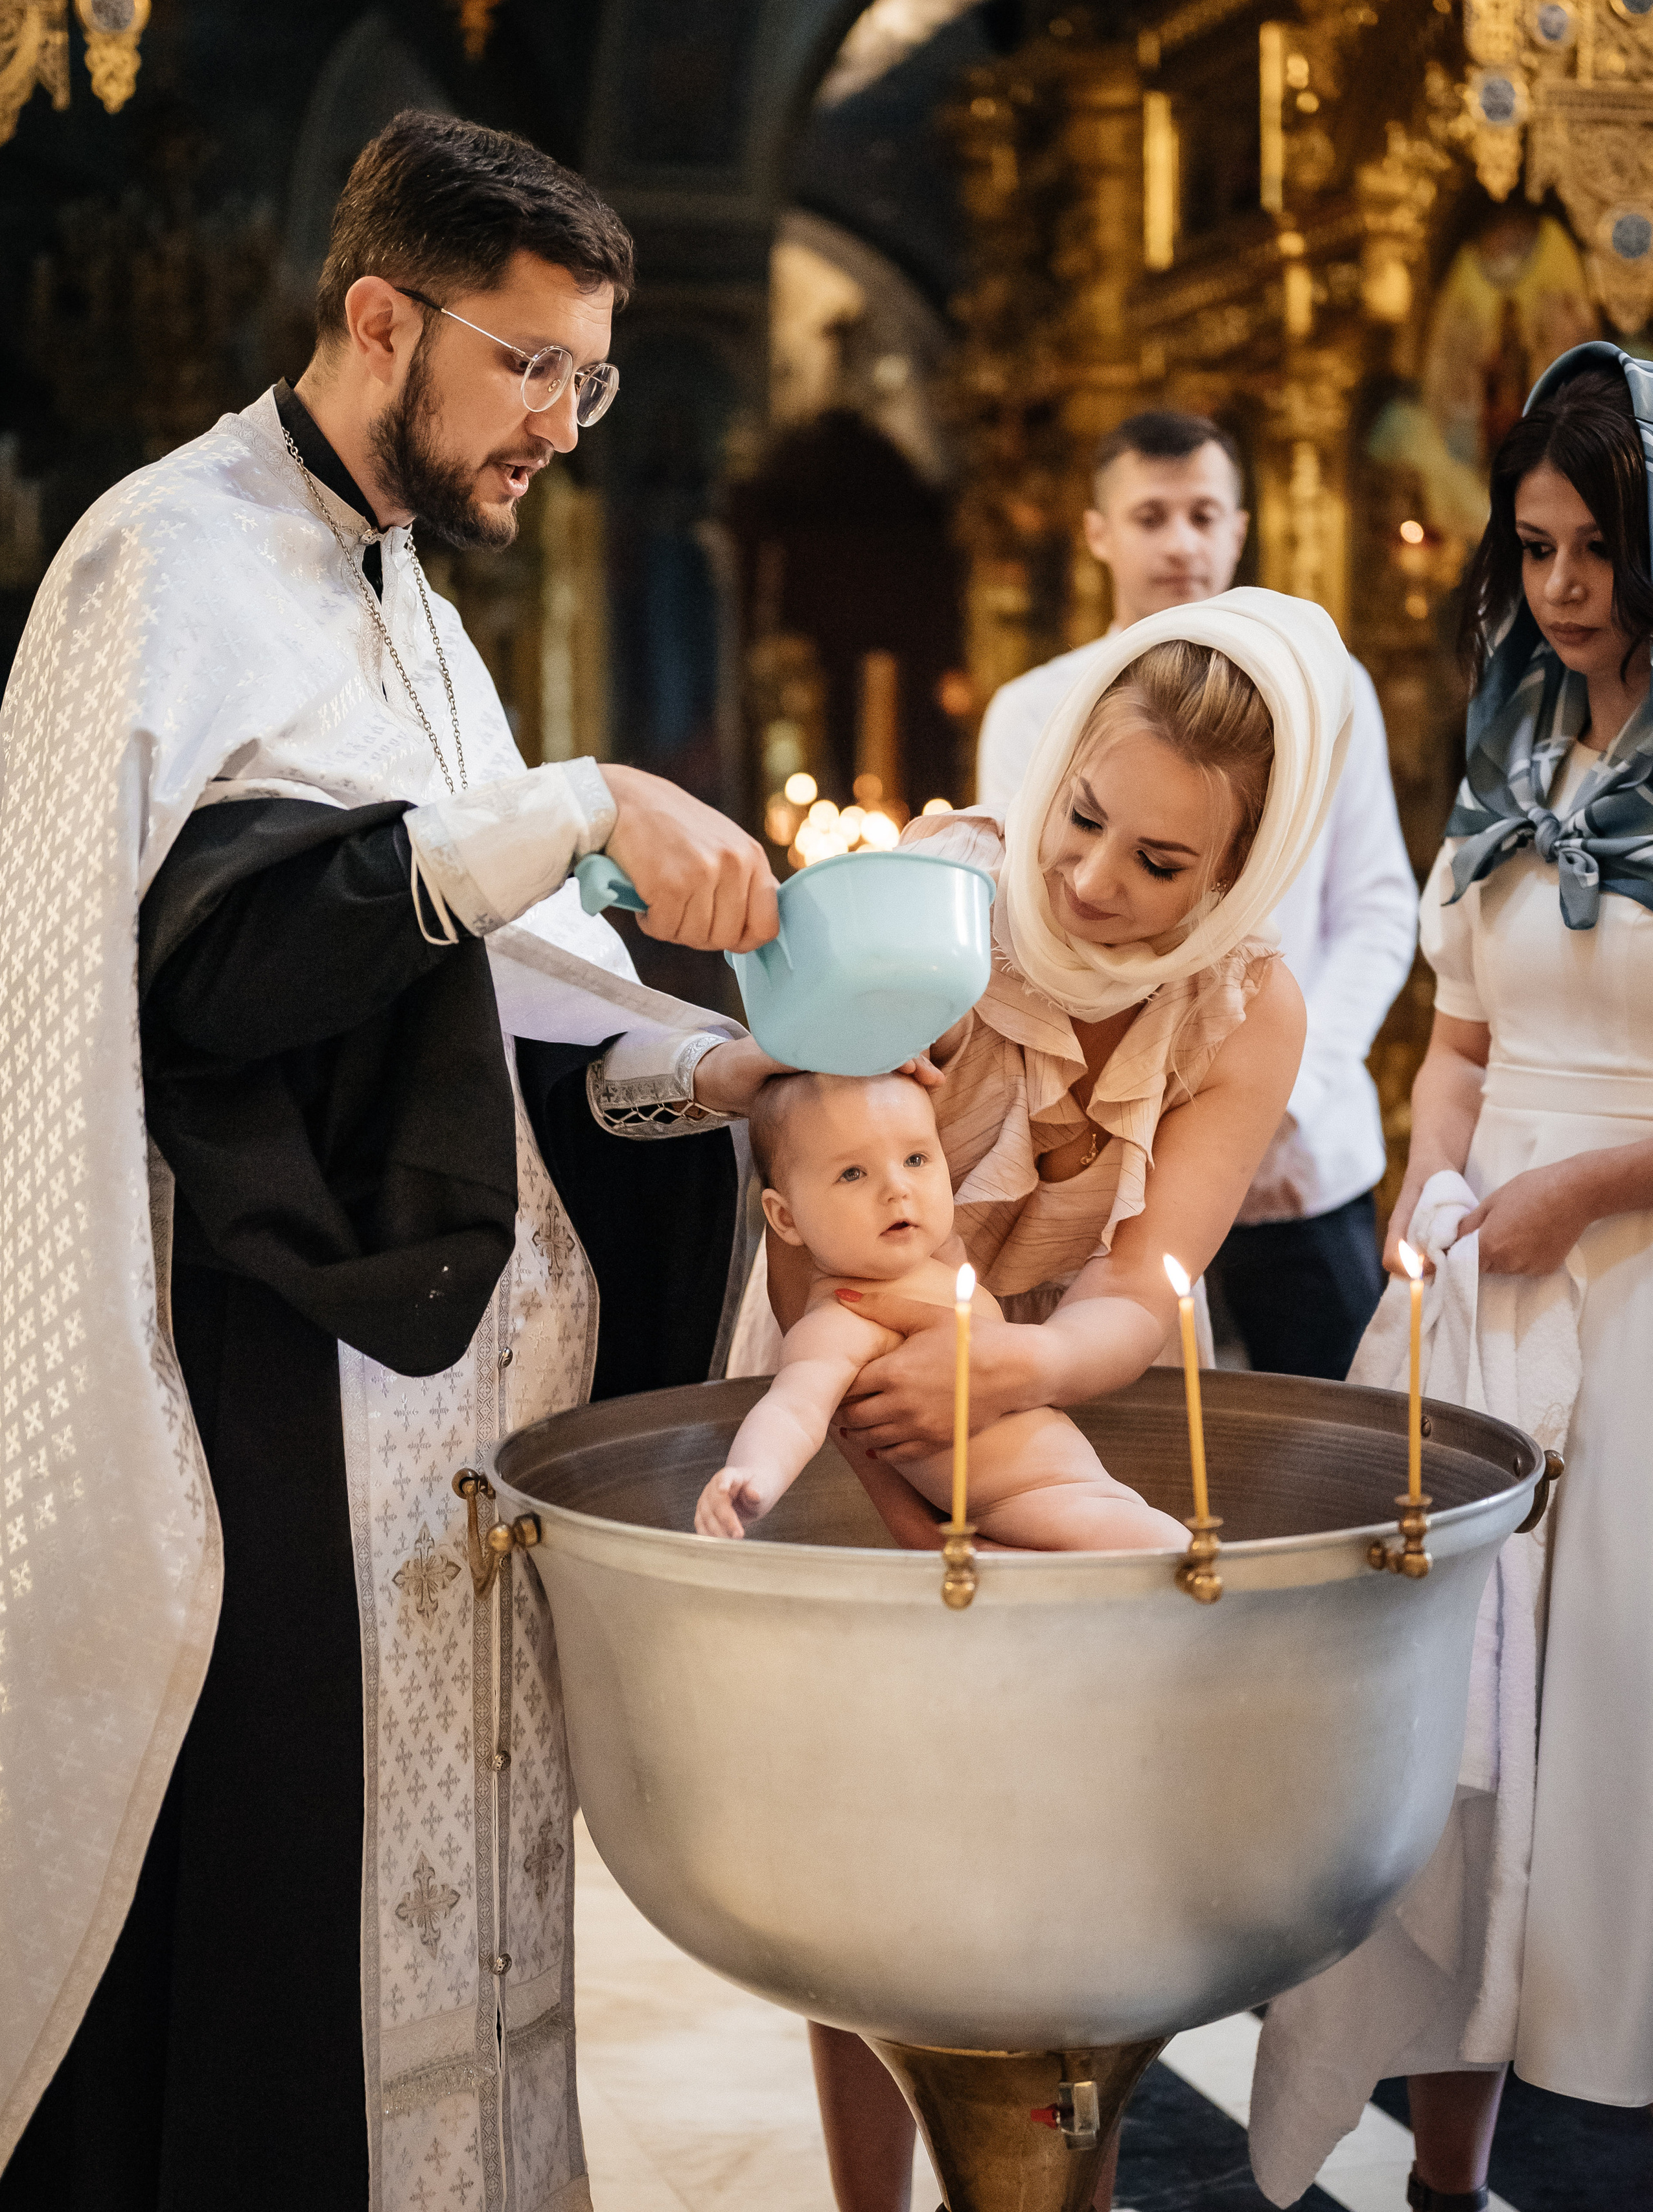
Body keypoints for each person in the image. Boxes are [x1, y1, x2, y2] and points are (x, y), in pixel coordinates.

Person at [0, 111, 787, 2211]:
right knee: (274, 1928)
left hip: (451, 1409)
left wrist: (705, 1084)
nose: (565, 425)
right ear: (379, 315)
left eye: (592, 379)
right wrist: (584, 796)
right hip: (263, 1383)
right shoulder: (164, 560)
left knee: (467, 1928)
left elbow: (473, 1006)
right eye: (533, 366)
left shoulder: (411, 603)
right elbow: (209, 982)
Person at [759, 588, 1353, 2212]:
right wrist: (878, 1409)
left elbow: (1143, 1284)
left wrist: (1017, 1369)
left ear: (1240, 870)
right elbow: (800, 1187)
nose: (1090, 879)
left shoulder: (1247, 1011)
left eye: (1161, 865)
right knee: (861, 1851)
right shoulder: (939, 904)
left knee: (1059, 1836)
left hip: (1045, 1402)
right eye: (1082, 816)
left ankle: (1058, 2194)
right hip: (846, 1372)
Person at [1247, 345, 1653, 2211]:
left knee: (1607, 1727)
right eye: (1540, 547)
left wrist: (1584, 1187)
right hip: (1487, 1260)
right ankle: (1444, 2169)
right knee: (1455, 1746)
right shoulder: (1509, 727)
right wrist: (1435, 1172)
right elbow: (1468, 1026)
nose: (1561, 588)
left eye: (1598, 550)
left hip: (1634, 1265)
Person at [977, 408, 1416, 1380]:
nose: (1181, 543)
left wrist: (1281, 1087)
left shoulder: (1330, 696)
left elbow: (1380, 906)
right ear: (1099, 533)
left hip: (1297, 1146)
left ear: (1240, 530)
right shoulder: (1036, 708)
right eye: (1150, 516)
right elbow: (1033, 930)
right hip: (1088, 1152)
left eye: (1204, 515)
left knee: (1325, 1430)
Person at [696, 1072, 1183, 1550]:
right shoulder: (841, 1321)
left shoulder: (939, 1263)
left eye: (915, 1158)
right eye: (852, 1173)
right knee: (1173, 1552)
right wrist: (751, 1477)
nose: (897, 1188)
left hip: (1081, 1488)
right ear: (786, 1217)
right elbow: (793, 1411)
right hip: (1030, 1506)